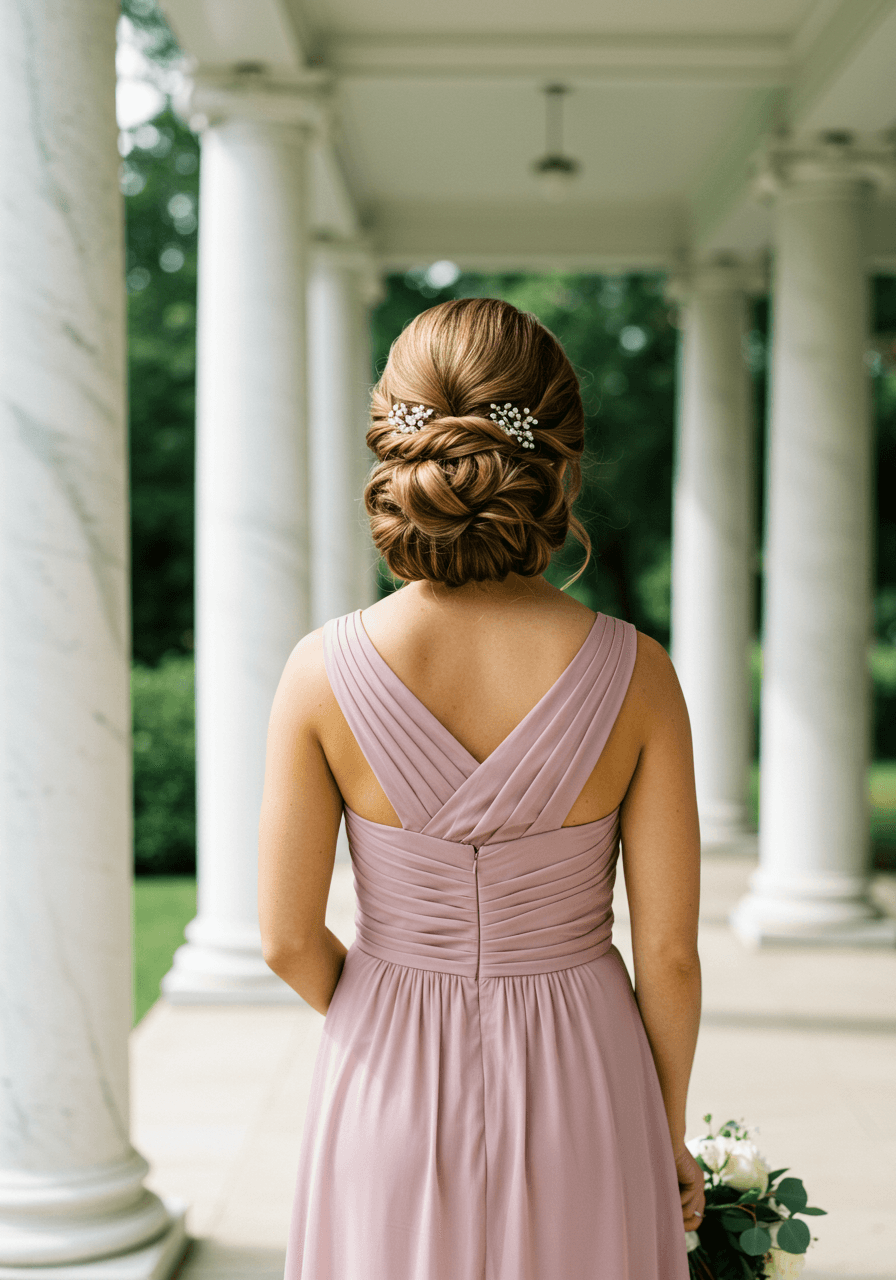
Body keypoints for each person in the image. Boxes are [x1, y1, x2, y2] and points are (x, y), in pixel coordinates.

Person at [258, 297, 705, 1279]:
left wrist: (388, 1006)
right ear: (560, 462)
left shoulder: (316, 670)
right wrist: (663, 1128)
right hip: (586, 1076)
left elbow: (286, 938)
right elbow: (666, 953)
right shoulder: (638, 672)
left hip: (383, 1078)